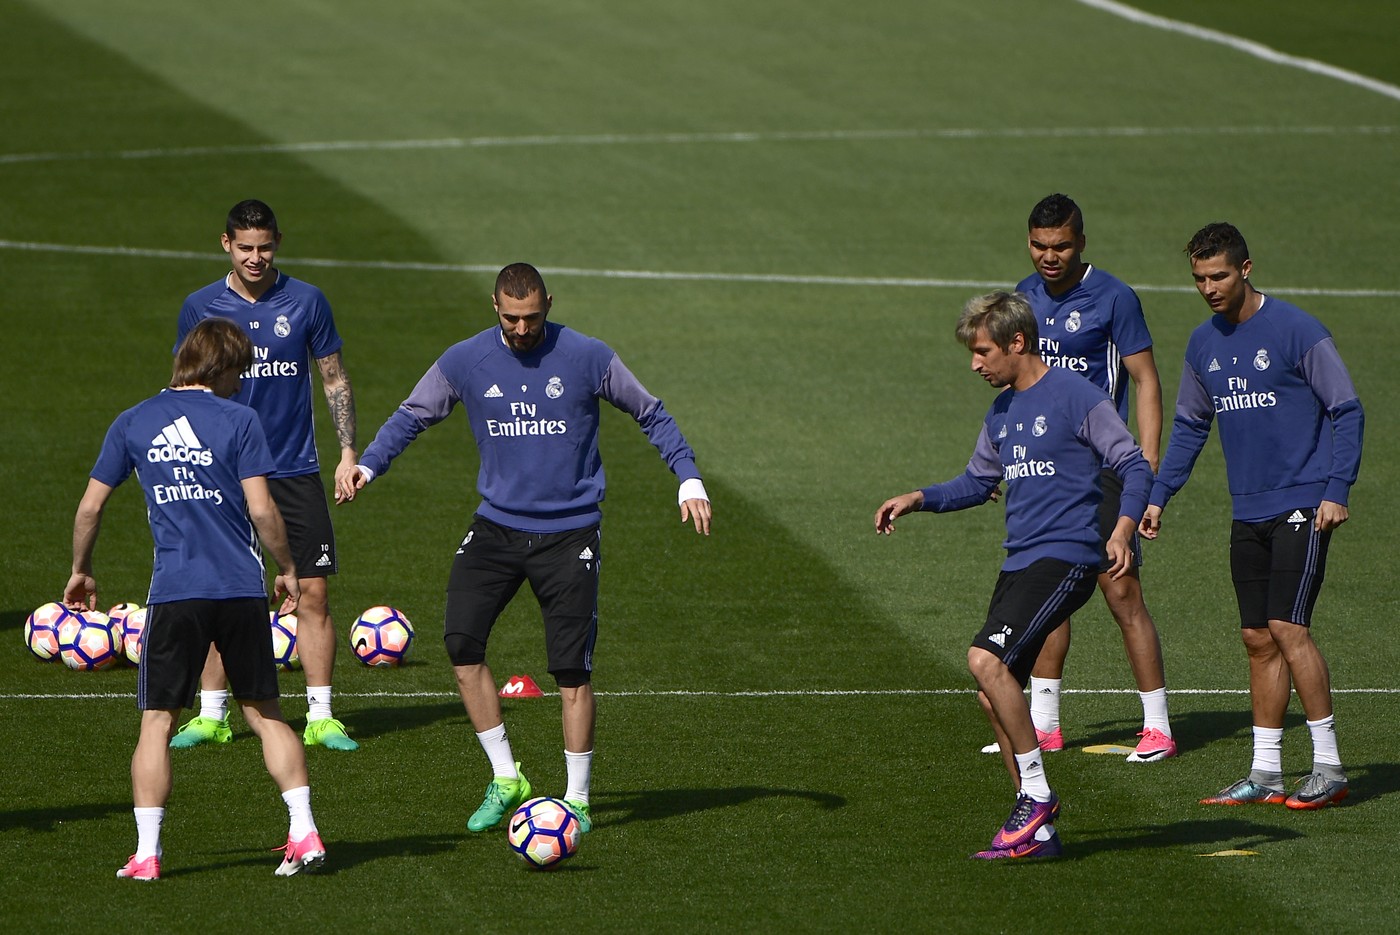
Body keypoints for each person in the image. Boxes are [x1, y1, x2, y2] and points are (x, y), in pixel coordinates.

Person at [338, 262, 712, 835]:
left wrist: (687, 476)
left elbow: (650, 411)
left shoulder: (587, 356)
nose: (521, 328)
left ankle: (578, 800)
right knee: (461, 646)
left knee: (571, 671)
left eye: (532, 317)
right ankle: (506, 776)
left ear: (549, 305)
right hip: (496, 530)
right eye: (511, 318)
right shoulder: (466, 360)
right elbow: (413, 415)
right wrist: (368, 464)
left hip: (570, 534)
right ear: (495, 307)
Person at [876, 291, 1152, 859]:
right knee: (992, 693)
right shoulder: (1001, 411)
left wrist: (1121, 530)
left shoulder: (1078, 396)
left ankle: (1036, 798)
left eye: (981, 351)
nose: (974, 363)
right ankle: (1041, 833)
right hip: (1020, 561)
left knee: (985, 660)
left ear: (1016, 342)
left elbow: (1132, 464)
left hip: (1067, 556)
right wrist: (918, 497)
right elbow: (978, 483)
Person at [65, 318, 326, 880]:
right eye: (241, 371)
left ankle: (148, 854)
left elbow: (90, 508)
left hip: (176, 592)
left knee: (157, 721)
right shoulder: (241, 420)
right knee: (266, 714)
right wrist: (287, 568)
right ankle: (303, 833)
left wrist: (81, 570)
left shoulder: (133, 421)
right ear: (223, 366)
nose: (244, 382)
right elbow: (262, 510)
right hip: (239, 590)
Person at [1142, 223, 1363, 809]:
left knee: (1290, 629)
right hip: (1249, 510)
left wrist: (1336, 488)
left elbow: (1347, 409)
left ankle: (1330, 767)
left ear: (1246, 268)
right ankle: (1265, 773)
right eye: (1198, 279)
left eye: (1218, 276)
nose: (1209, 288)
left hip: (1304, 502)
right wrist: (1160, 495)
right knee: (1257, 637)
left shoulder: (1297, 330)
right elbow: (1191, 425)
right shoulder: (1201, 344)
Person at [982, 193, 1174, 762]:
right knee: (1046, 582)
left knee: (1120, 589)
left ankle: (1158, 726)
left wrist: (1148, 465)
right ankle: (1044, 725)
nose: (1050, 256)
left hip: (1102, 464)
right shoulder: (1024, 296)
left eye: (1061, 245)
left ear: (1082, 242)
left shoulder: (1114, 297)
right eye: (1040, 245)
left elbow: (1146, 381)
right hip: (1047, 467)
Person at [171, 199, 361, 751]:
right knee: (219, 591)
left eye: (266, 247)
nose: (256, 258)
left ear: (278, 241)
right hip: (223, 473)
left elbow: (333, 379)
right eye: (246, 248)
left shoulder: (307, 301)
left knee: (313, 591)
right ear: (226, 244)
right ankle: (211, 714)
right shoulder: (200, 306)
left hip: (293, 468)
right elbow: (185, 387)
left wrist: (348, 451)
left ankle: (321, 716)